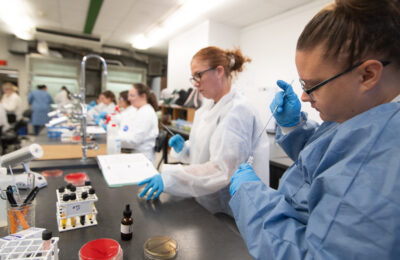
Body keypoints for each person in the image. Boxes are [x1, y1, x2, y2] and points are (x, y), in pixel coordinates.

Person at [229, 0, 400, 259]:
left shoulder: (381, 161)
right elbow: (332, 158)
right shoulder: (366, 116)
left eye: (314, 85)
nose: (305, 97)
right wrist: (293, 126)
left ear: (367, 75)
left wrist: (253, 199)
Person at [138, 46, 270, 216]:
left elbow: (222, 169)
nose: (195, 83)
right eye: (193, 77)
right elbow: (206, 153)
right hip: (206, 201)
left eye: (199, 75)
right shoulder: (206, 108)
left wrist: (172, 177)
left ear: (219, 71)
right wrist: (185, 149)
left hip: (231, 211)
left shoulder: (238, 111)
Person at [119, 84, 158, 163]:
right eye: (129, 96)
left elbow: (133, 140)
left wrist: (113, 139)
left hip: (142, 159)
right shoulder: (138, 111)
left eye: (132, 96)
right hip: (135, 155)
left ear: (143, 96)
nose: (129, 99)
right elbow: (127, 131)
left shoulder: (146, 113)